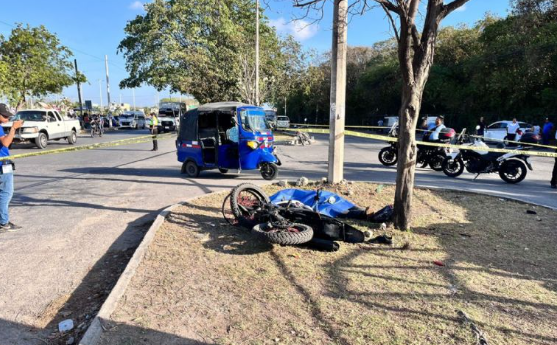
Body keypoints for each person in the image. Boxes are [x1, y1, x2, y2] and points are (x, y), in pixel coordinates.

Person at [0, 104, 23, 232]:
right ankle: (3, 223)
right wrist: (13, 128)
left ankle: (3, 220)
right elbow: (6, 143)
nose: (7, 118)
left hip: (4, 164)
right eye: (4, 116)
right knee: (6, 193)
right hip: (2, 165)